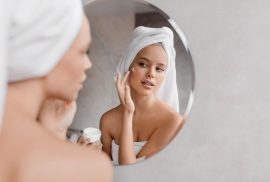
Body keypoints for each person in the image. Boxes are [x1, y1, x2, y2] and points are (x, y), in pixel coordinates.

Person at [0, 0, 112, 181]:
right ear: (47, 53)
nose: (88, 65)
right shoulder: (89, 168)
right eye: (84, 51)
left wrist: (54, 132)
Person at [100, 26, 185, 165]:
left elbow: (132, 172)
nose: (151, 74)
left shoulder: (172, 121)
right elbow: (106, 172)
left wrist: (128, 114)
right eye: (143, 64)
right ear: (128, 66)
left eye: (159, 69)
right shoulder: (107, 121)